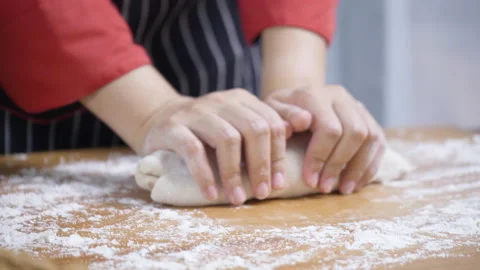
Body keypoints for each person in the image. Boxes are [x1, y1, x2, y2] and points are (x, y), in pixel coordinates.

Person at [0, 0, 386, 206]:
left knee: (235, 145)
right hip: (35, 62)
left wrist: (293, 91)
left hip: (203, 37)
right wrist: (151, 110)